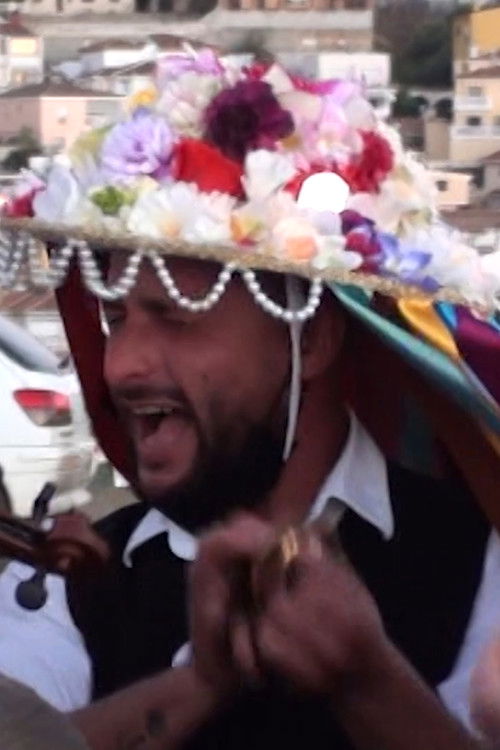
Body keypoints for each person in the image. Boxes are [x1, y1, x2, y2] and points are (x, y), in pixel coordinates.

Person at [0, 50, 498, 750]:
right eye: (115, 320)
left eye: (176, 316)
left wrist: (370, 684)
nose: (121, 366)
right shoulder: (64, 587)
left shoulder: (479, 557)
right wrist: (202, 682)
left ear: (313, 339)